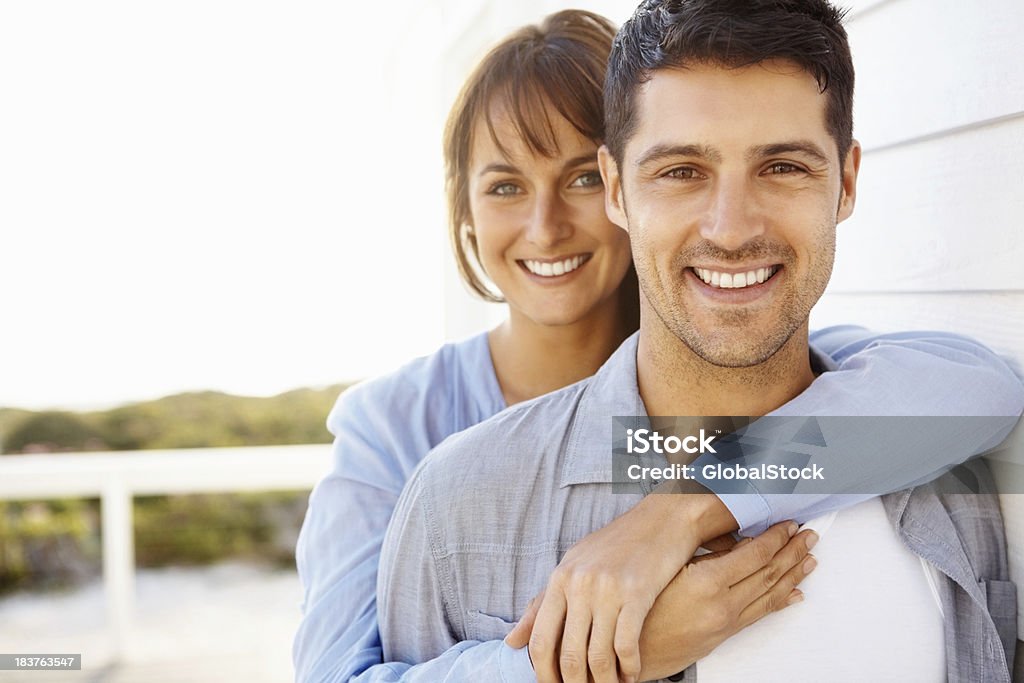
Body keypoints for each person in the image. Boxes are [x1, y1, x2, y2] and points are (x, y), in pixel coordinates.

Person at [296, 8, 1024, 683]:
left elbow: (969, 387)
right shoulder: (435, 473)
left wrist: (685, 504)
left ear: (847, 180)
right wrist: (601, 655)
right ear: (627, 189)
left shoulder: (891, 435)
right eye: (681, 170)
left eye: (783, 166)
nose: (731, 227)